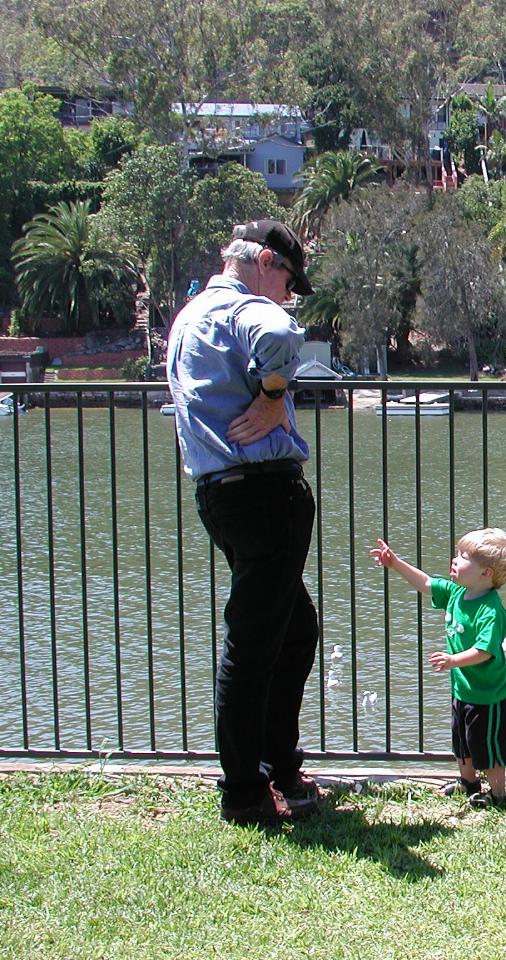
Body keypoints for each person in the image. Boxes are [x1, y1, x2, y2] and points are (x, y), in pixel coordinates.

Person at [166, 219, 321, 826]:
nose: (286, 294)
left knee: (294, 629)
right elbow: (280, 334)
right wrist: (275, 392)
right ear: (261, 260)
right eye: (285, 278)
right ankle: (246, 791)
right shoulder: (242, 309)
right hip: (263, 496)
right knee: (255, 644)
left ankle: (277, 763)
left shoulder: (188, 317)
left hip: (222, 496)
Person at [369, 529, 506, 809]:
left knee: (489, 750)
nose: (454, 560)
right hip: (463, 689)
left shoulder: (491, 610)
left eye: (463, 558)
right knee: (462, 743)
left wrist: (452, 660)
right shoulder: (456, 593)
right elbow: (426, 583)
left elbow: (484, 651)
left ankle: (498, 796)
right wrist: (395, 563)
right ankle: (469, 784)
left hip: (491, 696)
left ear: (485, 573)